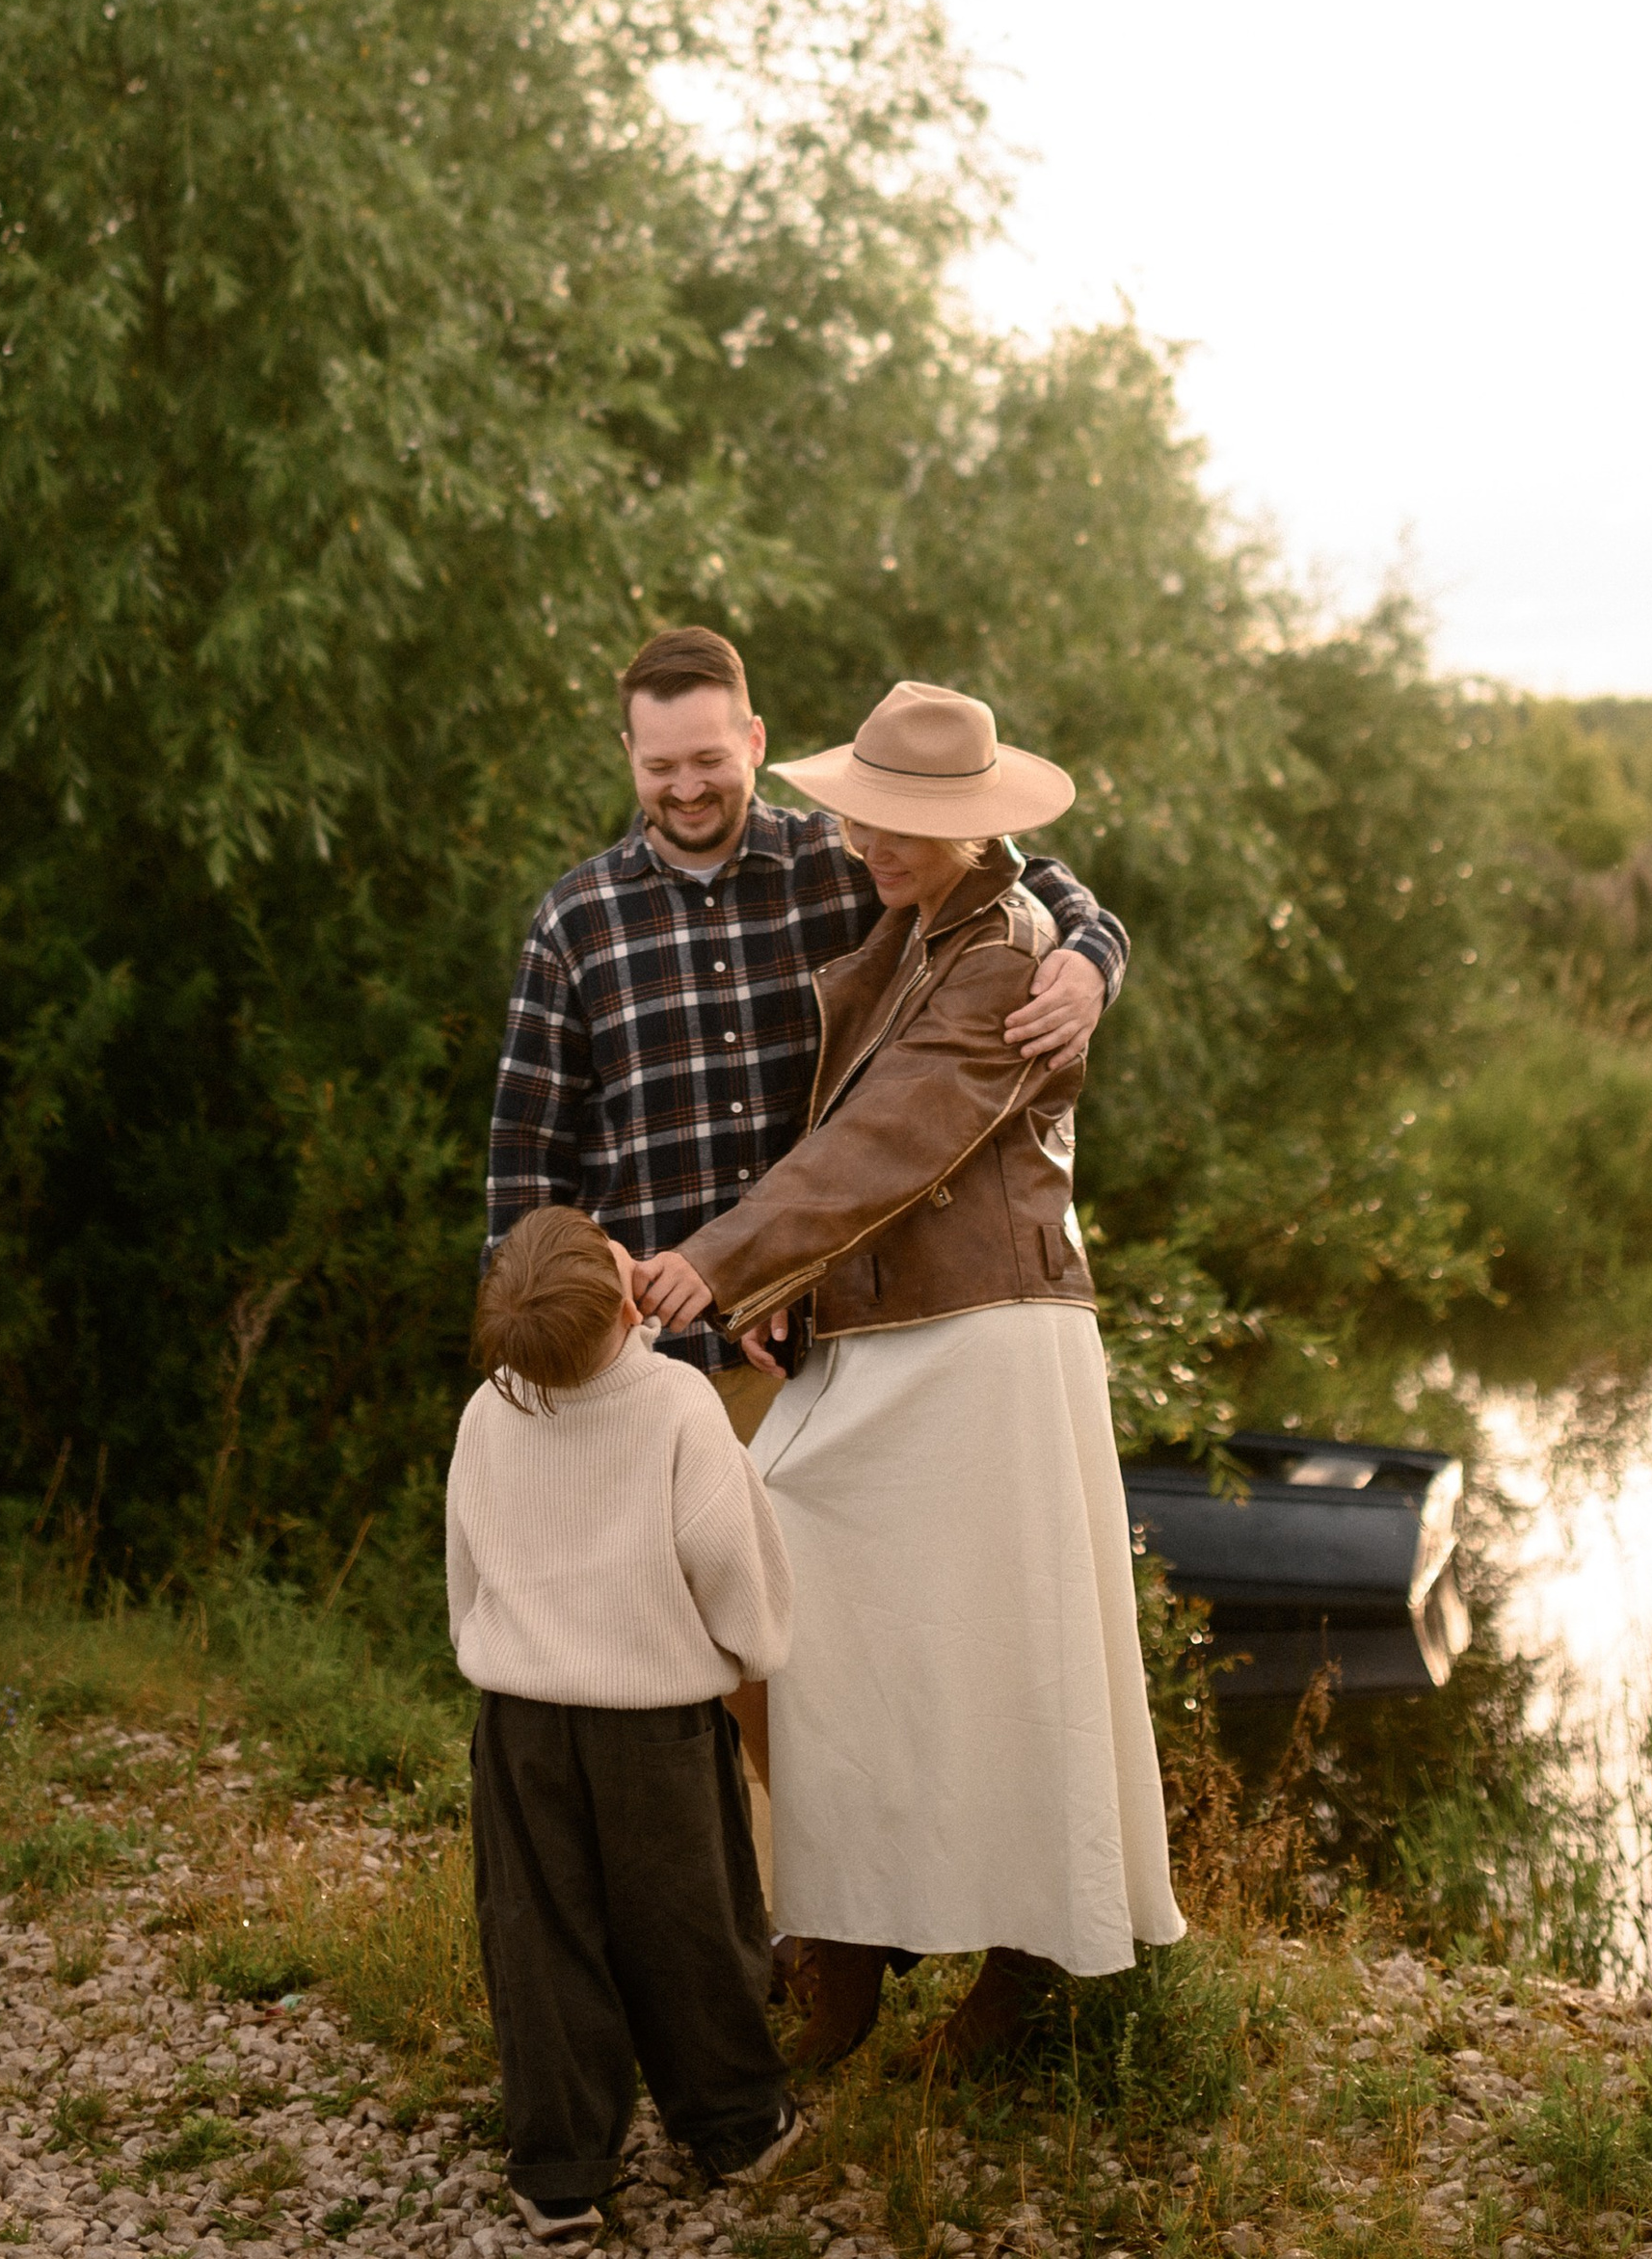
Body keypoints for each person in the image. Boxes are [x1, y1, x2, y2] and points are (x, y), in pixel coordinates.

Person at [636, 680, 1184, 2075]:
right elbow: (873, 1151)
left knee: (999, 1651)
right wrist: (791, 1284)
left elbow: (895, 1138)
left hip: (991, 1337)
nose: (867, 837)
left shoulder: (1005, 951)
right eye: (859, 810)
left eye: (902, 821)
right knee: (778, 1593)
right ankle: (852, 1934)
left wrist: (722, 1261)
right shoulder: (914, 914)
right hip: (892, 1328)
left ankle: (1016, 1967)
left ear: (969, 825)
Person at [488, 625, 1130, 1452]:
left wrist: (1093, 951)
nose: (686, 788)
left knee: (805, 1577)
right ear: (628, 756)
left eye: (709, 759)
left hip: (812, 1353)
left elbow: (1006, 871)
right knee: (638, 1582)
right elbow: (526, 1160)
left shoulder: (849, 858)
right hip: (639, 1353)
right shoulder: (576, 920)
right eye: (659, 767)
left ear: (754, 740)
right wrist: (527, 1361)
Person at [445, 1206, 804, 2244]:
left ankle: (559, 2172)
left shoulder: (486, 1411)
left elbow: (467, 1573)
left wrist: (507, 1650)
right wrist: (746, 1654)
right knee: (690, 1928)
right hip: (655, 1724)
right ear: (615, 1309)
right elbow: (732, 1564)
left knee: (541, 1937)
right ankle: (736, 2125)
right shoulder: (675, 1402)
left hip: (518, 1724)